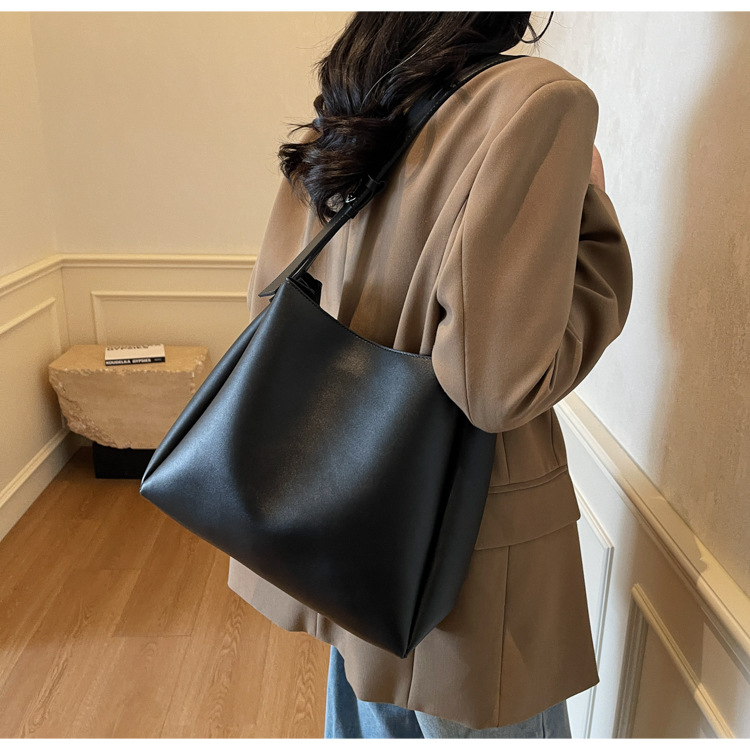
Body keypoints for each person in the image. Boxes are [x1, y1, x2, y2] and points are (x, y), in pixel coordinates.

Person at [227, 11, 633, 739]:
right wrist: (592, 213)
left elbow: (269, 301)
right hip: (462, 549)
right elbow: (495, 387)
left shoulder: (352, 99)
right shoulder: (540, 101)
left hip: (340, 513)